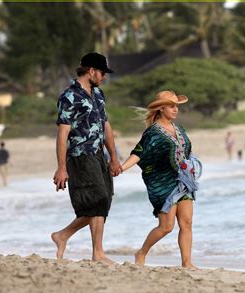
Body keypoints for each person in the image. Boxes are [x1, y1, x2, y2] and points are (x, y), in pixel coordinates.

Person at [51, 52, 122, 265]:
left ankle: (63, 235)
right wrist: (61, 167)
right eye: (102, 73)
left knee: (104, 200)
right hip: (80, 156)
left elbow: (106, 126)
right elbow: (62, 134)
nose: (104, 77)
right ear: (91, 71)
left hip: (99, 154)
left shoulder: (98, 94)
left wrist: (114, 157)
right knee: (97, 199)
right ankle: (97, 253)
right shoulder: (69, 96)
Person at [121, 91, 201, 269]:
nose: (175, 110)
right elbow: (138, 153)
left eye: (177, 106)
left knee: (187, 223)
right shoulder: (152, 132)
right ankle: (141, 253)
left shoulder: (179, 128)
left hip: (184, 182)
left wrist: (191, 166)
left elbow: (186, 151)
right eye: (171, 106)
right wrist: (122, 168)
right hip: (163, 183)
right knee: (166, 227)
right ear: (161, 108)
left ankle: (187, 262)